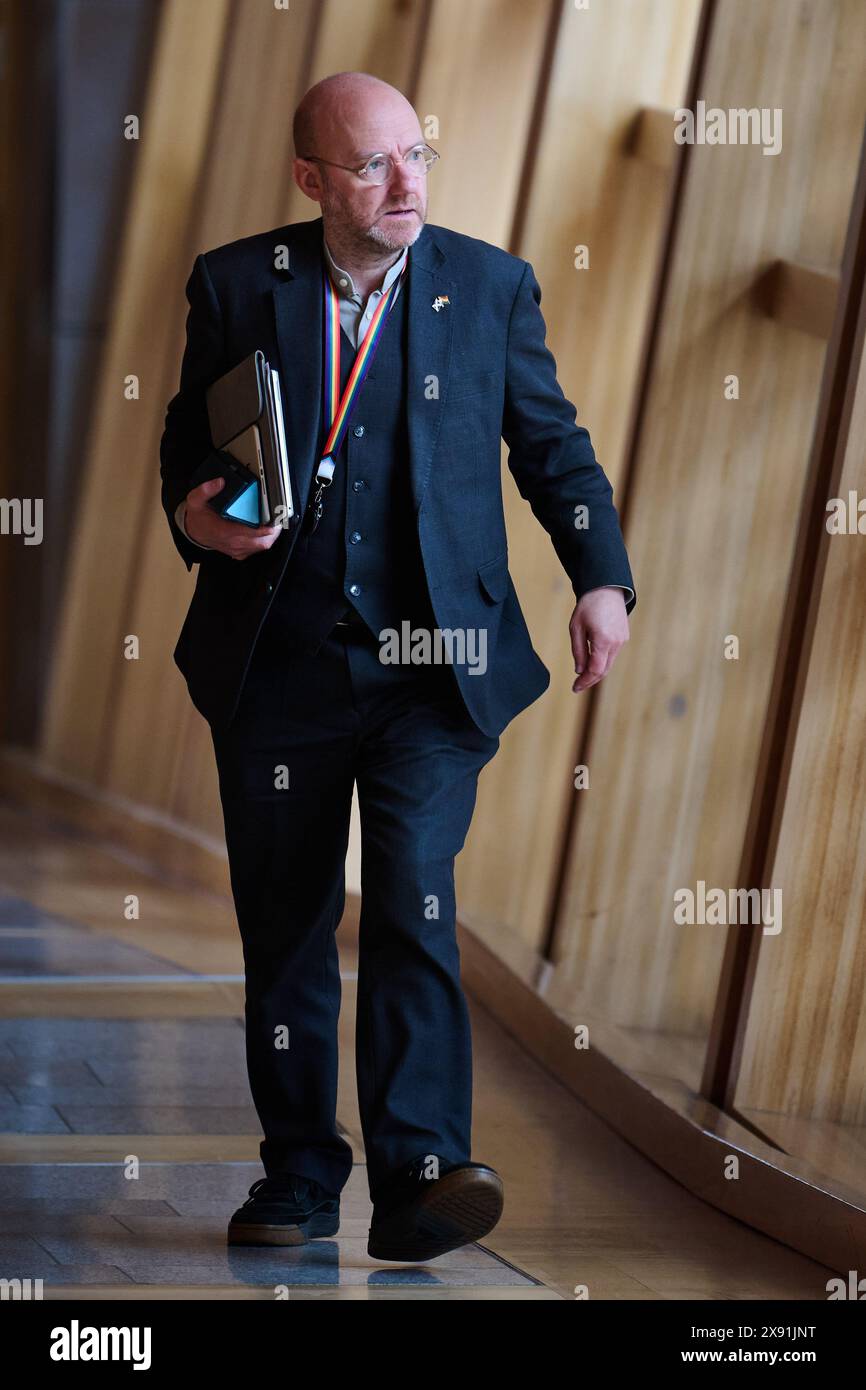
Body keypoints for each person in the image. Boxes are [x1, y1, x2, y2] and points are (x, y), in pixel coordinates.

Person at [159, 70, 635, 1263]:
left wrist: (599, 580)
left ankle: (421, 1173)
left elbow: (554, 451)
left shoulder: (488, 285)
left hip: (435, 667)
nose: (405, 182)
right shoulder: (235, 284)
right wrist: (196, 519)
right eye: (371, 166)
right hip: (280, 664)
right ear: (311, 179)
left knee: (415, 893)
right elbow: (189, 447)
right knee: (287, 921)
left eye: (416, 155)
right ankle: (297, 1179)